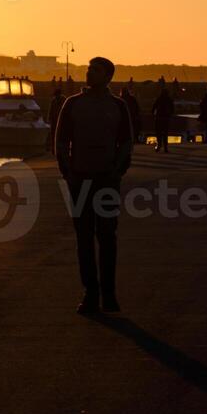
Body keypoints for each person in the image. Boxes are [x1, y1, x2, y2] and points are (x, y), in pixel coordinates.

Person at [54, 56, 134, 316]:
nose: (89, 73)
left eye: (95, 70)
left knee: (108, 237)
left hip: (107, 179)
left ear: (108, 76)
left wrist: (117, 171)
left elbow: (126, 143)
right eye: (89, 69)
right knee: (84, 238)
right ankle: (90, 293)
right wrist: (68, 172)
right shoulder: (72, 104)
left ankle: (109, 294)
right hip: (80, 179)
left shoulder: (118, 106)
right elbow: (61, 141)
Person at [151, 84, 175, 153]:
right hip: (166, 118)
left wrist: (153, 113)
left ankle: (159, 146)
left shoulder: (159, 98)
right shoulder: (169, 99)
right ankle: (165, 148)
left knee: (158, 133)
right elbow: (172, 109)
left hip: (159, 118)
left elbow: (154, 107)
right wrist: (170, 115)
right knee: (165, 134)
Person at [47, 85, 66, 153]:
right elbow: (51, 110)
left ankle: (60, 149)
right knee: (53, 135)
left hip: (61, 121)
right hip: (54, 121)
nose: (55, 96)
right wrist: (49, 119)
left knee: (61, 135)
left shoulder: (64, 100)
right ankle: (53, 149)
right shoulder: (54, 100)